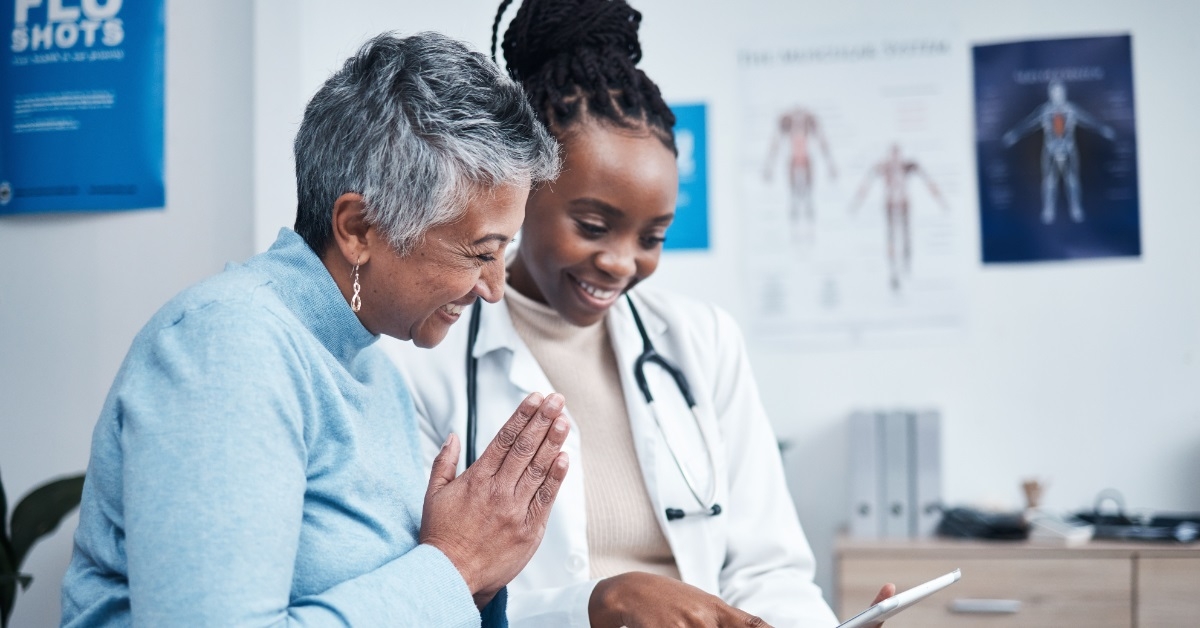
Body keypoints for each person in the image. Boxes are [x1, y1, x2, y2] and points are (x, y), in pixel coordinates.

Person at [385, 2, 895, 626]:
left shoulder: (702, 340)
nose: (621, 263)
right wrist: (596, 605)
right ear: (523, 191)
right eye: (593, 226)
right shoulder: (421, 354)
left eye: (652, 238)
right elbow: (418, 595)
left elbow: (767, 570)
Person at [61, 31, 568, 626]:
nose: (494, 287)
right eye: (480, 253)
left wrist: (475, 578)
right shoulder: (227, 346)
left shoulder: (373, 368)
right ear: (358, 229)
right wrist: (454, 567)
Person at [1002, 79, 1116, 224]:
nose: (1057, 96)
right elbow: (1029, 123)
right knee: (1049, 180)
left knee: (1072, 179)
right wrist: (1014, 134)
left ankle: (1076, 208)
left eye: (1060, 92)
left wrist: (1103, 129)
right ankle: (1048, 210)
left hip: (1068, 148)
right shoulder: (1045, 110)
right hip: (1050, 148)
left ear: (1064, 93)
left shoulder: (1071, 109)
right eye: (1054, 93)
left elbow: (1088, 120)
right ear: (1050, 94)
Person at [849, 143, 946, 292]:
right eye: (893, 154)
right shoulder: (883, 166)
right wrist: (857, 203)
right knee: (891, 238)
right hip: (890, 205)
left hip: (903, 204)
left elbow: (927, 180)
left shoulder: (907, 166)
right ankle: (894, 272)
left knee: (905, 237)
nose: (895, 157)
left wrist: (940, 200)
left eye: (897, 154)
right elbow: (866, 184)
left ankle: (906, 266)